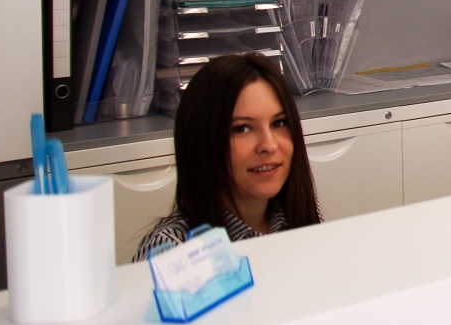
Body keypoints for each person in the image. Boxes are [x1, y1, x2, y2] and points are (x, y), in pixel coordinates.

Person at [133, 52, 321, 261]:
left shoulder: (294, 221)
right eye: (242, 129)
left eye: (278, 123)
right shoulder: (172, 252)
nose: (269, 145)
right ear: (202, 142)